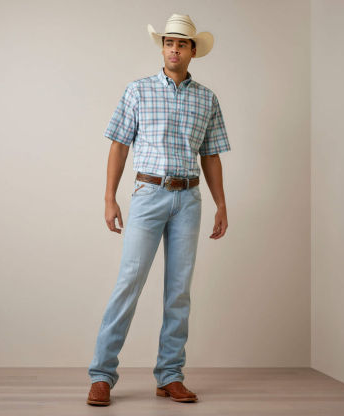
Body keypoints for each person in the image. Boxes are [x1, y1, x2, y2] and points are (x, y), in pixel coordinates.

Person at [87, 13, 231, 406]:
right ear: (162, 47)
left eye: (181, 44)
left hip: (189, 199)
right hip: (148, 194)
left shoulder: (207, 99)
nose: (174, 49)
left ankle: (170, 375)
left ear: (193, 50)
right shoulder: (138, 91)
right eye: (169, 42)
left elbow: (211, 155)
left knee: (178, 291)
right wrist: (109, 197)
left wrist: (221, 204)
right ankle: (102, 375)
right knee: (129, 283)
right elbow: (119, 144)